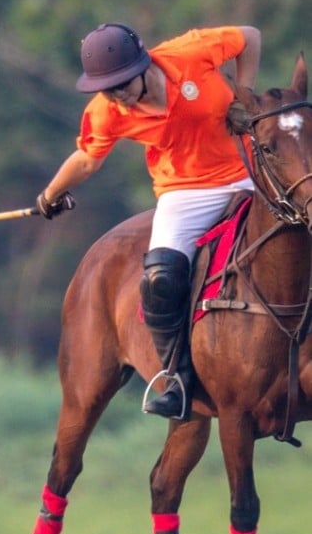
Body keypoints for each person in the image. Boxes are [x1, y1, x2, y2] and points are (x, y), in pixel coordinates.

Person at [34, 22, 261, 420]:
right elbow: (87, 159)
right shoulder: (106, 112)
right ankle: (177, 379)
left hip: (250, 170)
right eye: (107, 88)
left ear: (143, 65)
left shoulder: (189, 54)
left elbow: (250, 36)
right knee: (160, 276)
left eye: (122, 83)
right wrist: (50, 194)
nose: (117, 95)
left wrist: (244, 94)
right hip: (185, 191)